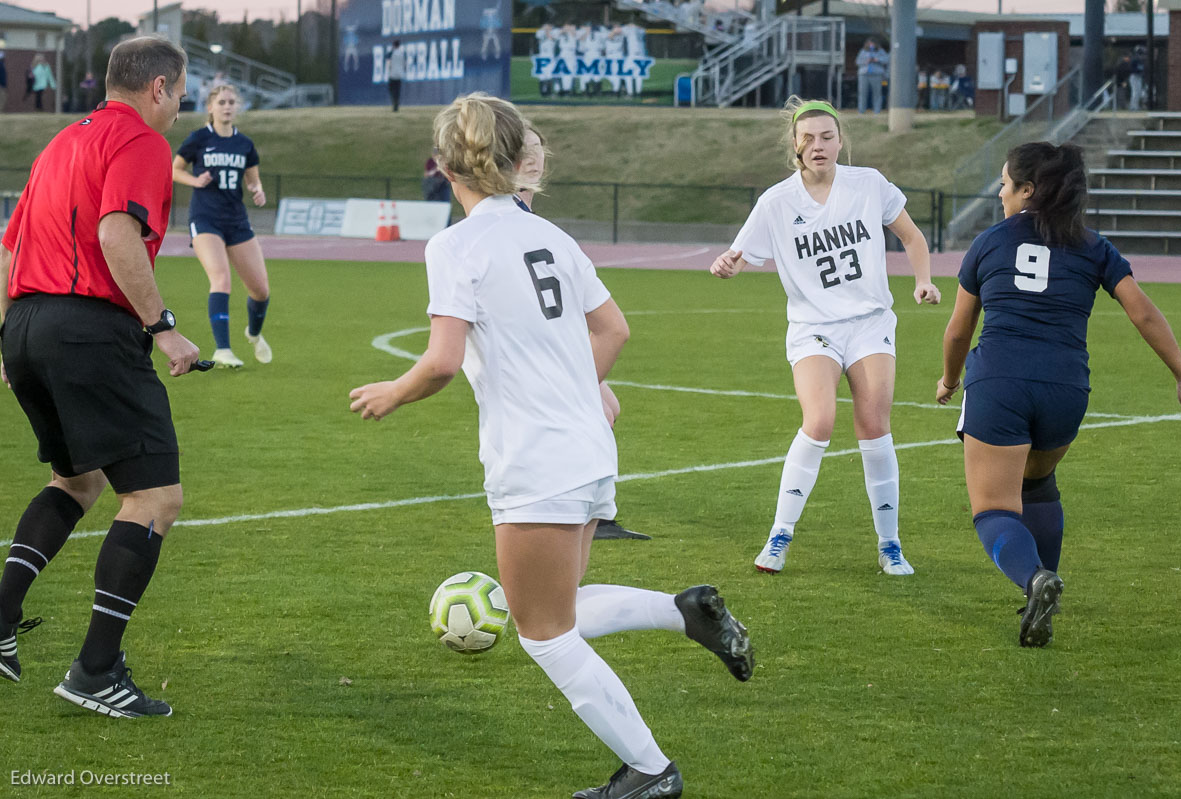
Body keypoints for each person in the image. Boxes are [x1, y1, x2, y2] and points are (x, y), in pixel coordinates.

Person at [349, 92, 753, 799]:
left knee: (542, 633)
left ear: (446, 165)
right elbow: (615, 330)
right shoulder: (553, 237)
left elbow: (443, 360)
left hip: (536, 453)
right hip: (588, 446)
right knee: (554, 606)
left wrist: (393, 390)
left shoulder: (456, 244)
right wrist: (575, 386)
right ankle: (684, 610)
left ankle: (651, 771)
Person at [0, 36, 201, 716]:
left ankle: (0, 619)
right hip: (88, 330)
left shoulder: (61, 143)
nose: (178, 107)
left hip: (28, 325)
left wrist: (5, 341)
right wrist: (163, 325)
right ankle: (94, 670)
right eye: (180, 93)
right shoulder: (142, 141)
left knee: (76, 481)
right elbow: (119, 234)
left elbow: (10, 249)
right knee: (155, 499)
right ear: (158, 89)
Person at [936, 141, 1181, 647]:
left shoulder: (990, 242)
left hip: (1000, 382)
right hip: (1066, 387)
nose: (1000, 191)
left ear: (1027, 191)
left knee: (993, 509)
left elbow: (957, 331)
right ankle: (1042, 593)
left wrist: (950, 380)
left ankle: (1035, 580)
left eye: (1005, 183)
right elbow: (1143, 311)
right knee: (1038, 484)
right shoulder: (1094, 246)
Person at [710, 97, 941, 576]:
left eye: (828, 137)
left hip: (871, 322)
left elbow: (913, 237)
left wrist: (922, 280)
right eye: (809, 138)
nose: (818, 146)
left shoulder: (869, 184)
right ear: (794, 144)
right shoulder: (775, 202)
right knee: (818, 421)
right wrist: (728, 264)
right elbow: (738, 256)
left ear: (840, 141)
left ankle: (890, 544)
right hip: (814, 327)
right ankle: (779, 536)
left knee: (874, 424)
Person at [514, 124, 649, 542]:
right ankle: (581, 508)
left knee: (607, 409)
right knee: (595, 412)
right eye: (525, 149)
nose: (535, 158)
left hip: (562, 345)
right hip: (540, 354)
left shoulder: (536, 225)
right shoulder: (509, 223)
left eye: (539, 149)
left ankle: (596, 510)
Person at [172, 83, 272, 369]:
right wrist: (195, 180)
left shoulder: (245, 145)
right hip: (205, 217)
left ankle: (253, 333)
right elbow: (174, 169)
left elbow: (253, 178)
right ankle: (223, 349)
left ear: (236, 107)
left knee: (261, 291)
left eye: (231, 102)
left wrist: (257, 190)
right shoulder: (199, 138)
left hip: (236, 219)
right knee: (221, 278)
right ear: (211, 107)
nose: (227, 106)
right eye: (222, 102)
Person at [855, 38, 888, 114]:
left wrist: (878, 59)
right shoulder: (863, 51)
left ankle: (877, 111)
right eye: (869, 44)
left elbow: (886, 60)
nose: (871, 45)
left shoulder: (881, 51)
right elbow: (857, 61)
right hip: (864, 74)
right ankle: (861, 111)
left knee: (877, 93)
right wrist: (866, 61)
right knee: (862, 93)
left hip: (877, 74)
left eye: (872, 44)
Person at [385, 39, 404, 112]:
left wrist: (389, 70)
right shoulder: (401, 54)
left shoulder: (391, 53)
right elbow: (404, 64)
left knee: (392, 91)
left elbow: (388, 63)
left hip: (392, 75)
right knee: (397, 91)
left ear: (393, 45)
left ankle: (394, 104)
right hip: (399, 75)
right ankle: (397, 103)